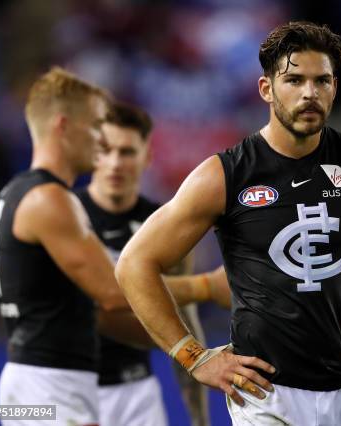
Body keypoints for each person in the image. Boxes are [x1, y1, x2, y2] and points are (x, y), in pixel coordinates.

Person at [115, 21, 341, 426]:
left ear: (334, 88)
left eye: (321, 81)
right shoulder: (224, 176)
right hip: (266, 395)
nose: (310, 93)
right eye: (294, 80)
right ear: (266, 89)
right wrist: (192, 355)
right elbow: (135, 263)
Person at [0, 67, 227, 425]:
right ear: (63, 126)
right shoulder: (50, 200)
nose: (102, 142)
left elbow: (89, 310)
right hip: (50, 386)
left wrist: (176, 344)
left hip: (36, 383)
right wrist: (207, 286)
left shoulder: (21, 192)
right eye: (97, 125)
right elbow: (114, 293)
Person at [75, 101, 229, 426]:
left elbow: (182, 321)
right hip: (65, 389)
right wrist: (205, 287)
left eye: (128, 152)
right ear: (92, 154)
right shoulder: (63, 216)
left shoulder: (163, 227)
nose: (115, 163)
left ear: (147, 157)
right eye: (106, 150)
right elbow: (91, 302)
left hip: (137, 392)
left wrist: (200, 420)